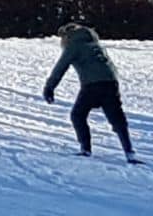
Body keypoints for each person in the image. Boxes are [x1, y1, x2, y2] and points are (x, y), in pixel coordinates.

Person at [43, 23, 140, 163]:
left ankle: (85, 149)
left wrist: (49, 87)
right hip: (111, 82)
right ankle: (129, 152)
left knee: (78, 115)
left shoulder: (74, 44)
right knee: (116, 117)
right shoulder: (95, 44)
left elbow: (61, 67)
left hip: (92, 85)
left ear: (66, 36)